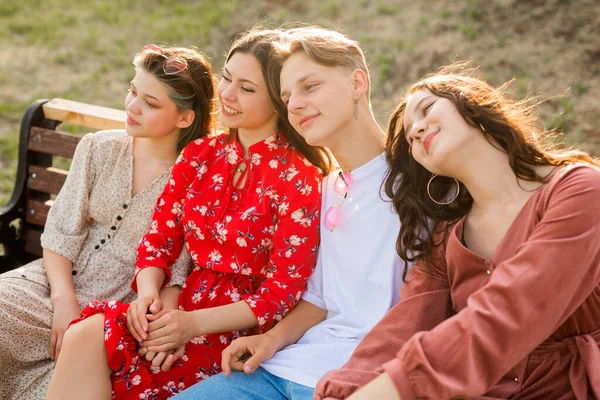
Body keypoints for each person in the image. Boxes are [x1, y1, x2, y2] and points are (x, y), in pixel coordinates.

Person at [46, 29, 330, 400]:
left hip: (237, 329)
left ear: (279, 100)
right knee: (84, 335)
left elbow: (281, 292)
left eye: (246, 88)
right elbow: (159, 241)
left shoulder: (298, 177)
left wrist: (190, 326)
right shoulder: (199, 154)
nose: (226, 94)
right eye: (227, 78)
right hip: (175, 304)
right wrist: (149, 298)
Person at [315, 63, 600, 399]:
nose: (418, 130)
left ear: (473, 103)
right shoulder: (446, 238)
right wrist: (344, 391)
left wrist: (392, 389)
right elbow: (403, 327)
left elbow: (511, 312)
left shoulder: (580, 189)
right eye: (410, 137)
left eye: (427, 109)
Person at [173, 26, 407, 400]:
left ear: (358, 83)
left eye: (309, 86)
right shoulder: (330, 187)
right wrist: (269, 339)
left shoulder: (415, 184)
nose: (294, 104)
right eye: (286, 95)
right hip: (286, 367)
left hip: (364, 378)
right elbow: (319, 299)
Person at [0, 44, 216, 399]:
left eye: (150, 102)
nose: (132, 106)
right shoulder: (99, 148)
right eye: (133, 91)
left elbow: (177, 270)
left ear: (184, 118)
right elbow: (60, 233)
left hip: (121, 307)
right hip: (54, 283)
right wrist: (63, 300)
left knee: (68, 372)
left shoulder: (195, 179)